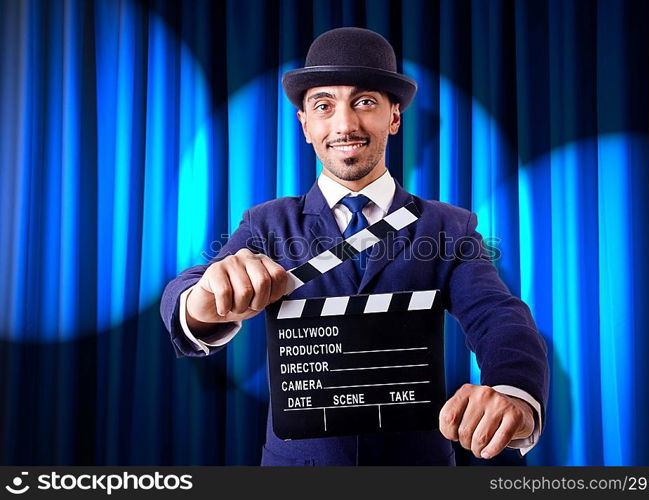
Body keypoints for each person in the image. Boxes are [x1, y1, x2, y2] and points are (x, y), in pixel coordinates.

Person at [160, 27, 549, 466]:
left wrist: (513, 390)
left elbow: (496, 314)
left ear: (395, 117)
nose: (345, 124)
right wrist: (203, 300)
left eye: (365, 102)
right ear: (305, 125)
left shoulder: (447, 227)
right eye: (323, 106)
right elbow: (189, 288)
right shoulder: (267, 223)